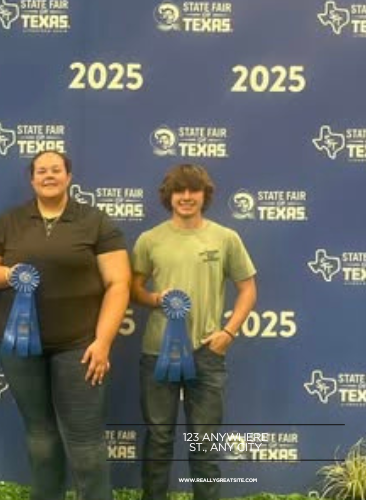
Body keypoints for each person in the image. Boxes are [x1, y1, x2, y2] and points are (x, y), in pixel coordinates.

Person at [0, 150, 131, 500]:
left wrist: (103, 341)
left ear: (69, 176)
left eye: (56, 170)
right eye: (41, 171)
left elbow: (119, 283)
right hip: (19, 346)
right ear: (32, 180)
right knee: (40, 438)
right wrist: (11, 274)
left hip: (80, 346)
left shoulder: (95, 221)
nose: (48, 176)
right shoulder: (10, 221)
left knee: (86, 443)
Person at [130, 164, 257, 500]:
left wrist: (227, 334)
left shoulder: (226, 238)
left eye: (193, 191)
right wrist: (155, 298)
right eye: (179, 191)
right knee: (158, 439)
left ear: (205, 195)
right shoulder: (149, 240)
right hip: (157, 353)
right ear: (169, 196)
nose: (186, 197)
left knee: (204, 442)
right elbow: (133, 289)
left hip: (207, 353)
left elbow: (248, 289)